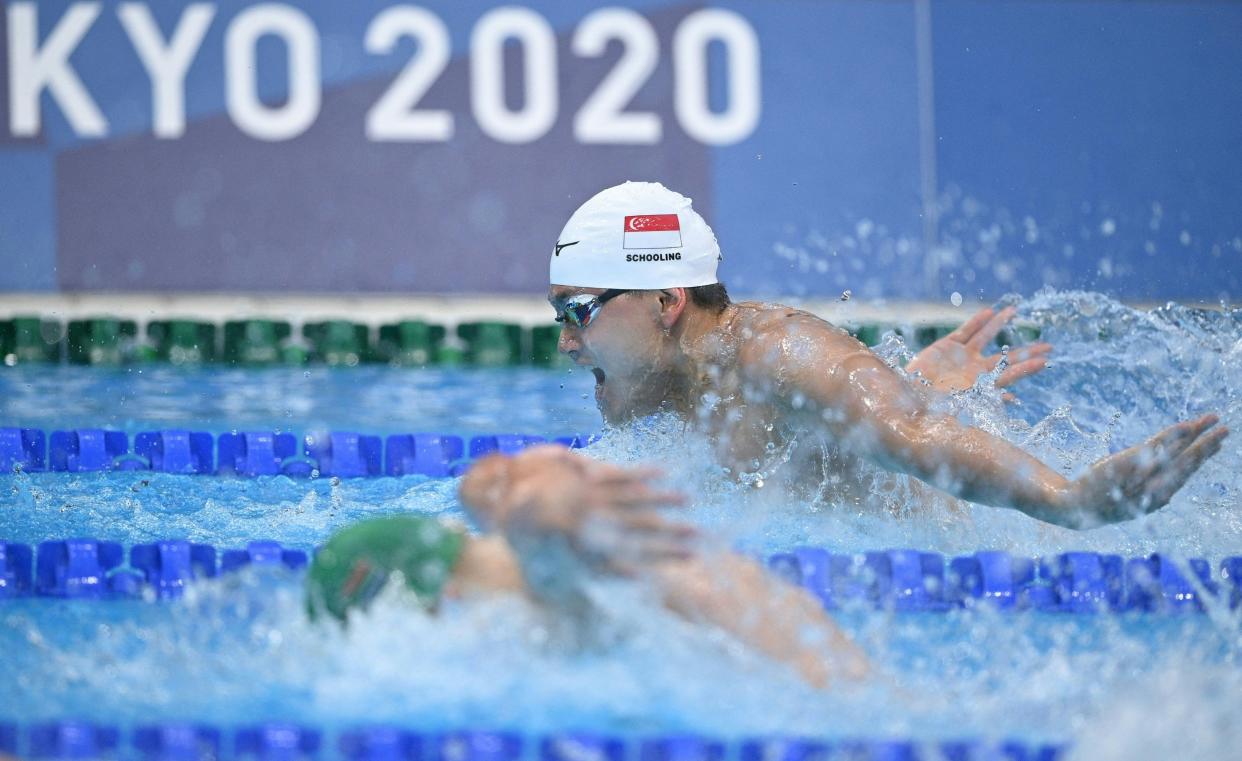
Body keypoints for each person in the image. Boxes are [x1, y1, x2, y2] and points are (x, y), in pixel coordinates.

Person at [547, 182, 1228, 528]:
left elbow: (913, 430)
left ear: (666, 302)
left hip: (968, 549)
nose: (566, 340)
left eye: (577, 312)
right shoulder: (641, 391)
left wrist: (1068, 497)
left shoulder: (775, 353)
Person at [307, 445, 869, 688]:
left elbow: (537, 507)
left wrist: (562, 509)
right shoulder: (542, 576)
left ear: (442, 601)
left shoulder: (550, 567)